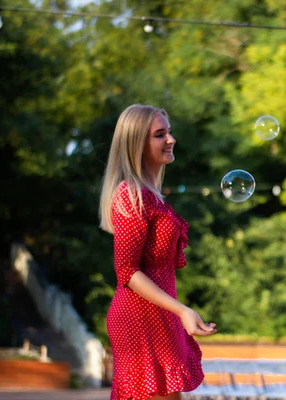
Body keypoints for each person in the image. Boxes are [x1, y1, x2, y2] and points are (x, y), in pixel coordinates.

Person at [99, 104, 217, 400]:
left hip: (159, 314)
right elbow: (126, 271)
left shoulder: (152, 196)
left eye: (170, 132)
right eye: (159, 134)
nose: (171, 139)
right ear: (136, 144)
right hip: (138, 317)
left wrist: (177, 312)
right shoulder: (130, 194)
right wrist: (182, 310)